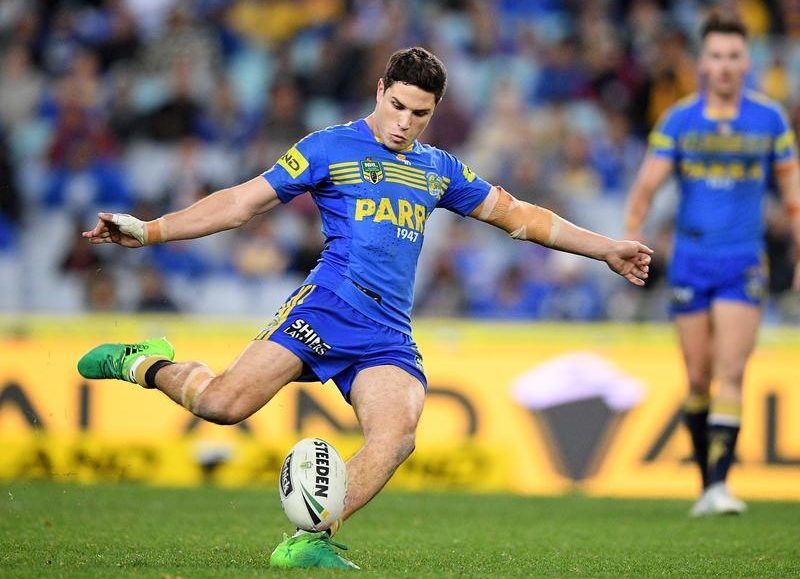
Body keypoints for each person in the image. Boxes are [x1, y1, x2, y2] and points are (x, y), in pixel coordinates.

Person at [77, 47, 653, 569]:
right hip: (328, 306)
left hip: (387, 331)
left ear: (434, 112)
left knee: (397, 435)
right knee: (221, 405)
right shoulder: (328, 147)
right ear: (380, 90)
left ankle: (310, 540)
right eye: (397, 106)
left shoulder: (438, 169)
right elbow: (240, 203)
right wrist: (151, 230)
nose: (404, 122)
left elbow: (523, 218)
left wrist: (606, 248)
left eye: (419, 114)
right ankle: (144, 361)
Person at [623, 14, 800, 517]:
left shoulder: (769, 120)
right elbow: (645, 188)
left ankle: (720, 484)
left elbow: (792, 193)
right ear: (703, 63)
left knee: (731, 371)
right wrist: (630, 238)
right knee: (698, 377)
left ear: (747, 62)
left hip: (742, 259)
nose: (724, 66)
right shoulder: (680, 121)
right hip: (690, 261)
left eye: (733, 56)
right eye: (716, 56)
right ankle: (707, 483)